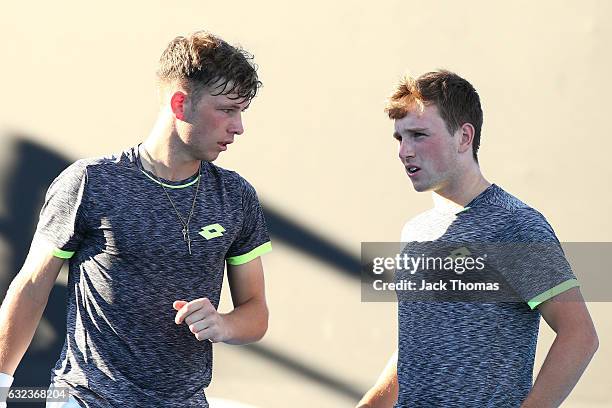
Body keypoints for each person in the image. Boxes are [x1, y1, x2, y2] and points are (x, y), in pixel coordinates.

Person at [0, 31, 272, 407]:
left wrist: (224, 324)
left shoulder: (236, 195)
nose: (238, 127)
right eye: (227, 109)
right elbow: (31, 286)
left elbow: (255, 312)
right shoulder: (90, 182)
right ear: (180, 104)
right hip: (86, 397)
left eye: (241, 112)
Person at [357, 70, 598, 407]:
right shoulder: (415, 232)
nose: (404, 151)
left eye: (418, 135)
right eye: (399, 138)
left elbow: (580, 336)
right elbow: (419, 345)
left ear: (464, 137)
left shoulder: (515, 226)